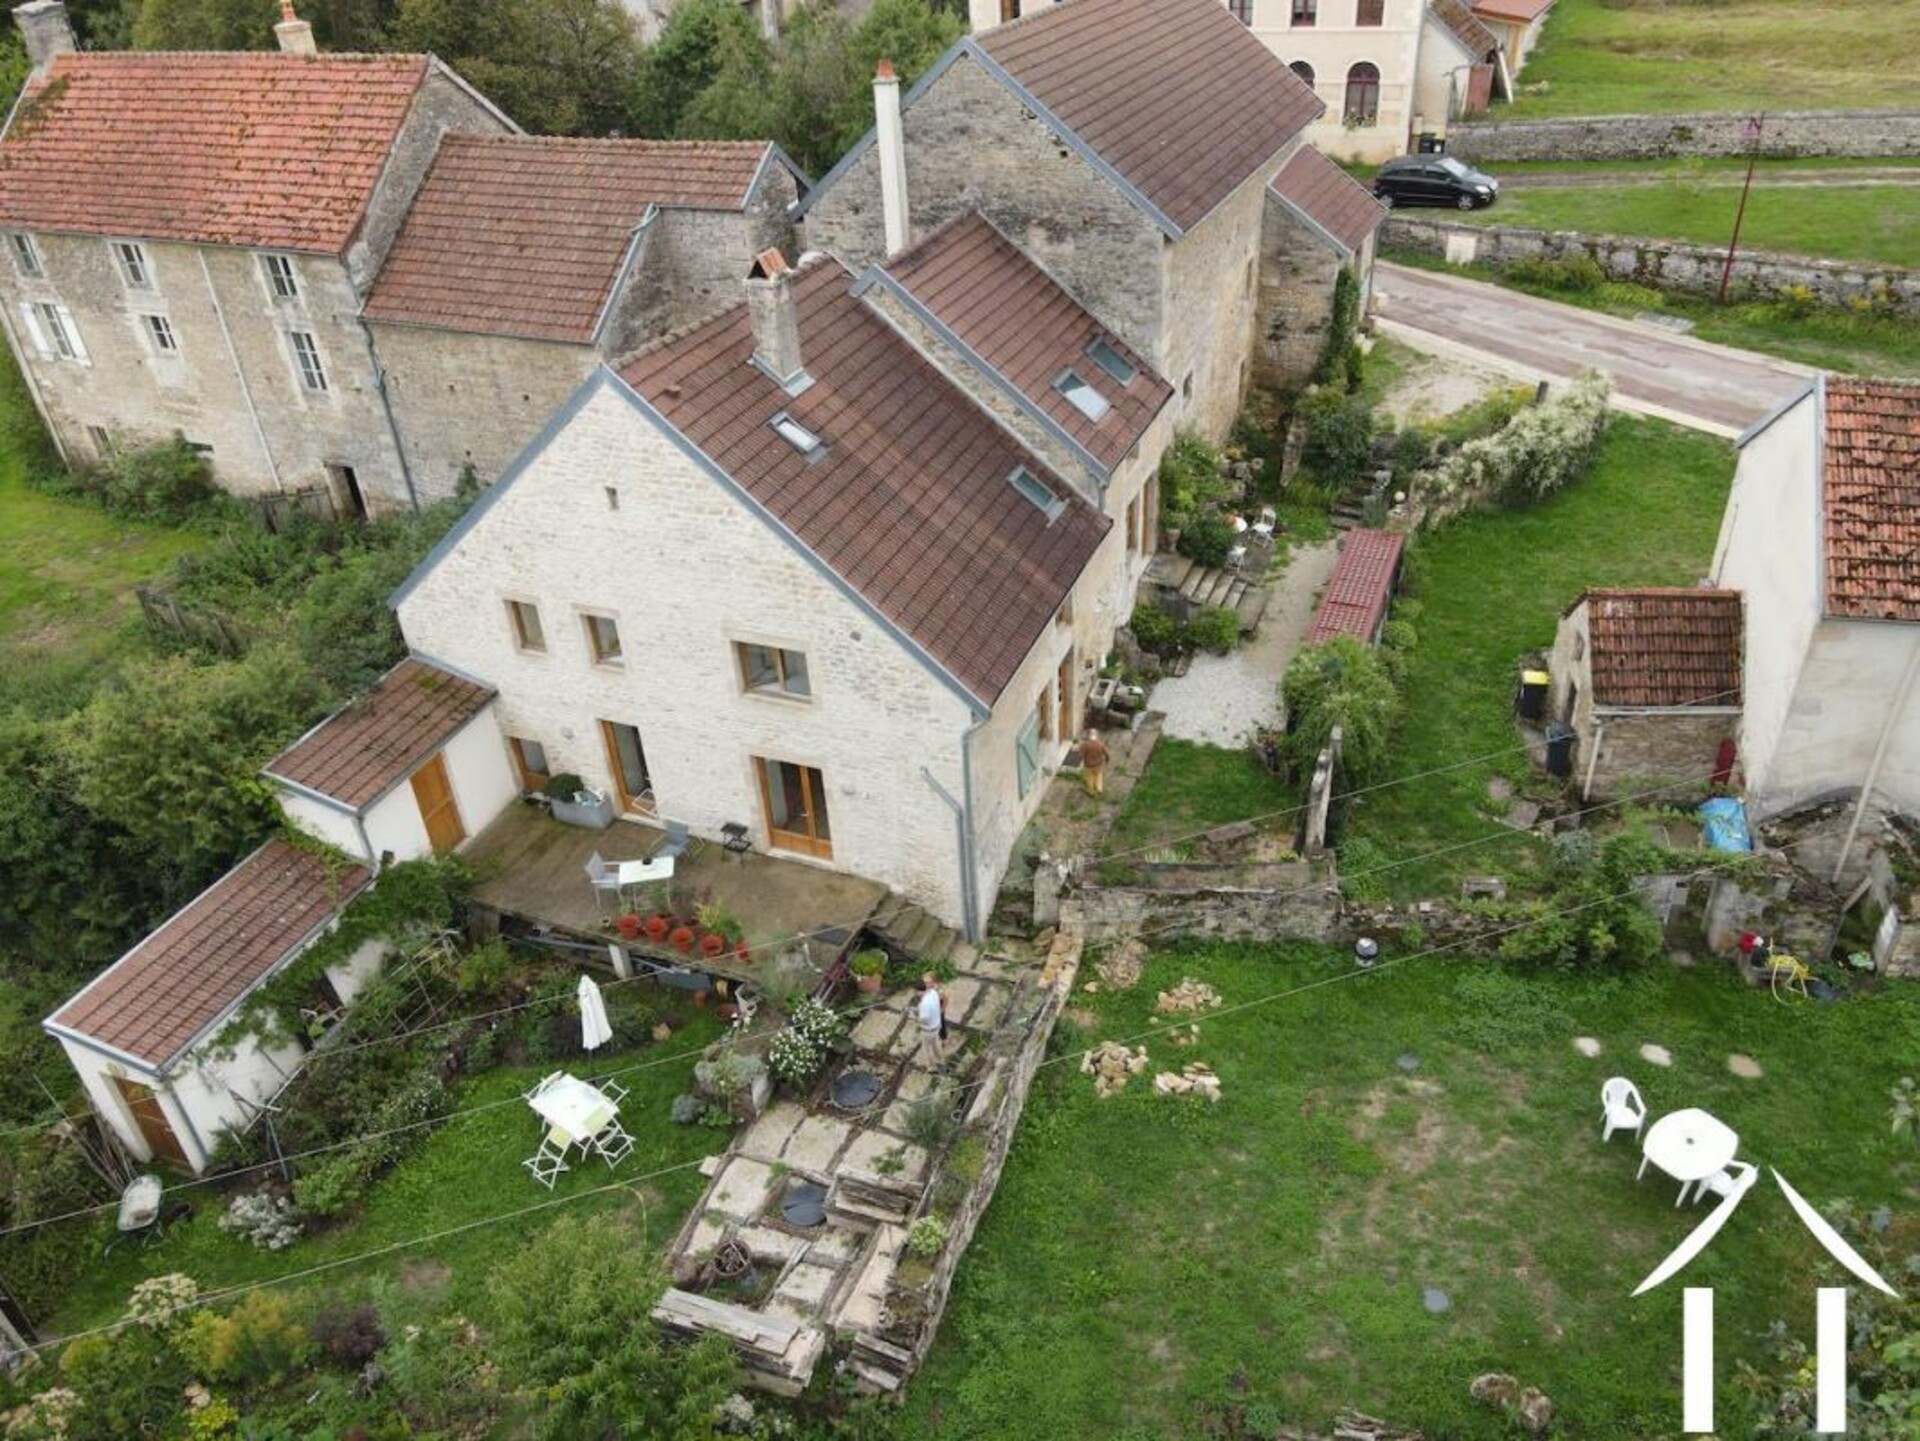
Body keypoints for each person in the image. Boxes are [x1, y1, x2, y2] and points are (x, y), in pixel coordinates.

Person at [914, 975, 945, 1068]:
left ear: (919, 991)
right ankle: (941, 1061)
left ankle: (931, 1067)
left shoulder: (923, 1004)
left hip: (928, 1030)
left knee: (926, 1049)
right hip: (937, 1025)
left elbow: (924, 1019)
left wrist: (916, 1019)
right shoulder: (933, 993)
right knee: (936, 1044)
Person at [1080, 728, 1110, 797]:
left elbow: (1080, 755)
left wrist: (1082, 762)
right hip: (1098, 765)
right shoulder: (1100, 744)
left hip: (1088, 765)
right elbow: (1107, 754)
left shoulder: (1085, 745)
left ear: (1088, 736)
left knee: (1090, 778)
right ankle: (1099, 789)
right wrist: (1107, 761)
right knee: (1098, 776)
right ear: (1096, 736)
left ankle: (1091, 791)